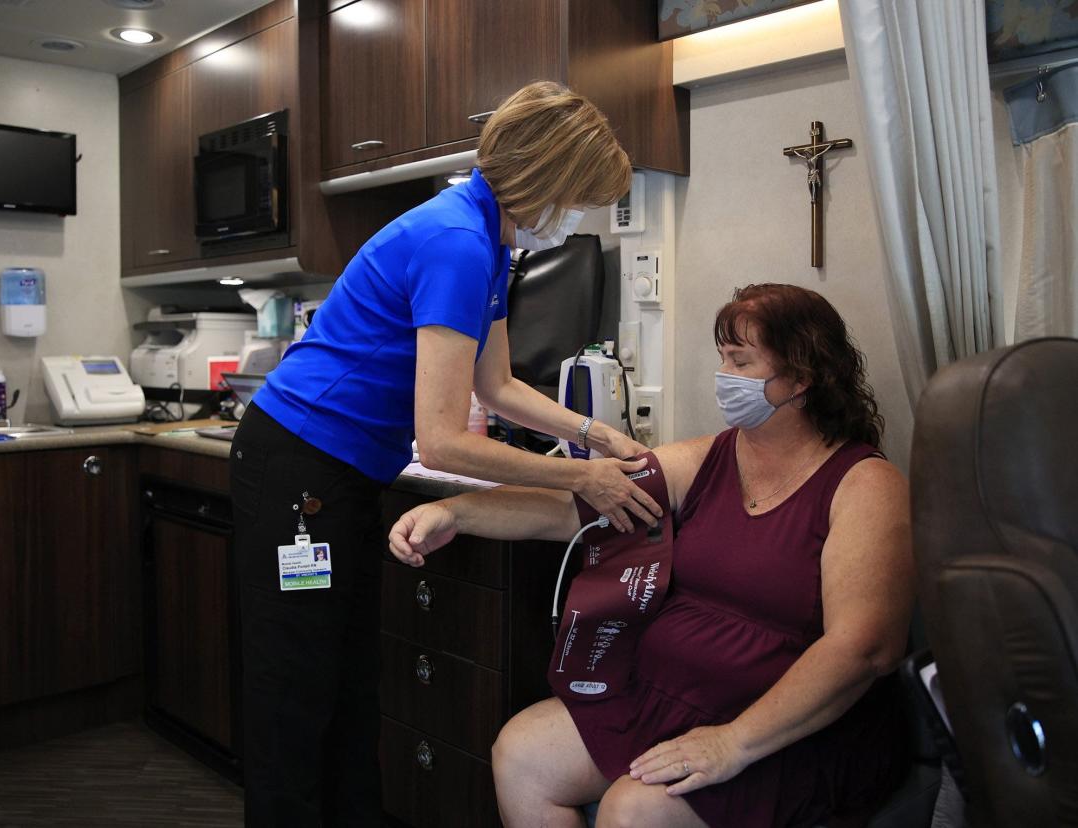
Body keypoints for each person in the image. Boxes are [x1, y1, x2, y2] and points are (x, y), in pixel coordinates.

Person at [229, 81, 664, 828]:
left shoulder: (489, 242)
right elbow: (442, 441)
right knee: (295, 693)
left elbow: (494, 386)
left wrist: (596, 435)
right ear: (547, 180)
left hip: (340, 473)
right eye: (582, 197)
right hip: (296, 467)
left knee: (347, 682)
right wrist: (579, 476)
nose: (580, 217)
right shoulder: (458, 244)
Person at [388, 284, 915, 828]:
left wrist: (733, 743)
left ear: (802, 380)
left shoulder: (864, 484)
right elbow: (575, 509)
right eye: (722, 359)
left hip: (784, 726)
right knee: (521, 755)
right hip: (674, 697)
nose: (724, 377)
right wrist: (458, 514)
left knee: (632, 810)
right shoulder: (711, 457)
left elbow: (865, 647)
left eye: (741, 361)